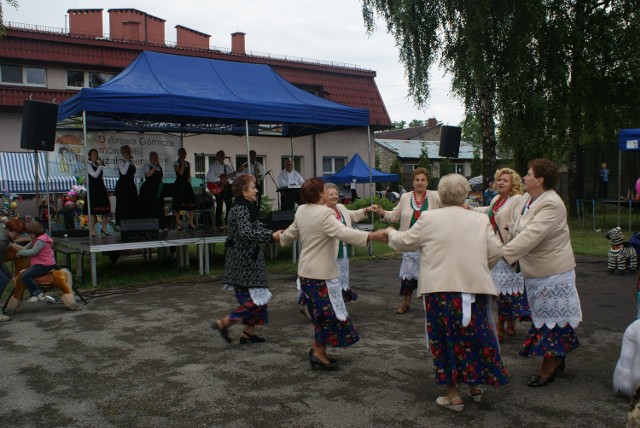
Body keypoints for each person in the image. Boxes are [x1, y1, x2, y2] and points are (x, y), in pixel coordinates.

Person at [384, 173, 508, 412]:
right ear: (465, 194)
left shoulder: (428, 218)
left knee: (445, 340)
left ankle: (453, 395)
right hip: (473, 289)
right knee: (473, 337)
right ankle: (474, 386)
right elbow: (495, 252)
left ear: (440, 194)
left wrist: (388, 233)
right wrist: (479, 269)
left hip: (440, 291)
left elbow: (406, 242)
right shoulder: (479, 220)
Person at [277, 178, 386, 370]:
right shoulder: (325, 214)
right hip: (320, 275)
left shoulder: (302, 210)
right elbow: (343, 233)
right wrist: (372, 235)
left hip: (306, 274)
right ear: (320, 194)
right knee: (329, 315)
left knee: (322, 315)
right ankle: (318, 351)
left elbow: (289, 235)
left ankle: (319, 351)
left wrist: (280, 237)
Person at [503, 158, 582, 387]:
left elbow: (530, 236)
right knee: (548, 318)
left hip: (553, 272)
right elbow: (518, 225)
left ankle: (548, 368)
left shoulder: (552, 204)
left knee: (550, 320)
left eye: (528, 174)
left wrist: (500, 254)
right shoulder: (528, 198)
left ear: (539, 180)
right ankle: (559, 355)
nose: (524, 177)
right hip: (536, 272)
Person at [211, 174, 280, 344]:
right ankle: (225, 322)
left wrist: (275, 233)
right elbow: (246, 233)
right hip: (243, 263)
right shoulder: (240, 209)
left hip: (250, 260)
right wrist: (271, 236)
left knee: (259, 298)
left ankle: (248, 333)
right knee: (253, 300)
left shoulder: (247, 207)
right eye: (253, 187)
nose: (256, 190)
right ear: (244, 191)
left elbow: (255, 228)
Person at [372, 167, 441, 314]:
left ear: (428, 182)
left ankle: (430, 305)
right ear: (413, 182)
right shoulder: (405, 197)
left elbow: (446, 211)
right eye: (417, 180)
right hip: (410, 243)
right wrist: (383, 213)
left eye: (423, 180)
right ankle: (406, 303)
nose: (420, 183)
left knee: (430, 275)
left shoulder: (435, 197)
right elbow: (395, 215)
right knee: (408, 275)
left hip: (429, 244)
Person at [473, 167, 529, 342]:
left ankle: (500, 326)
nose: (501, 183)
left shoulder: (517, 200)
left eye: (505, 180)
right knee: (499, 293)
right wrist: (469, 208)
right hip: (493, 251)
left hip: (508, 252)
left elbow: (518, 223)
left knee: (506, 294)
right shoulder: (497, 199)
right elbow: (486, 212)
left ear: (513, 183)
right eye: (499, 180)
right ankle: (509, 323)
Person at [16, 221, 56, 303]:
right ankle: (34, 293)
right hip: (41, 263)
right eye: (29, 234)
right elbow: (27, 247)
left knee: (26, 276)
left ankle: (38, 294)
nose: (30, 236)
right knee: (26, 274)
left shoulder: (41, 240)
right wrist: (20, 249)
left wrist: (20, 252)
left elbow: (33, 252)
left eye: (31, 234)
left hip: (45, 264)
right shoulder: (36, 238)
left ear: (36, 231)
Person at [0, 219, 26, 321]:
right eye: (16, 234)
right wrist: (12, 276)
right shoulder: (2, 241)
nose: (18, 237)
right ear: (8, 229)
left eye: (19, 234)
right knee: (3, 279)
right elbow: (0, 262)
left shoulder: (3, 231)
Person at [84, 148, 111, 237]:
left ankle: (104, 228)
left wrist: (100, 166)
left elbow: (100, 176)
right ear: (90, 156)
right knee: (93, 211)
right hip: (93, 189)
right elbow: (94, 175)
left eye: (96, 154)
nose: (96, 156)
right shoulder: (88, 165)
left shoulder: (98, 165)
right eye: (94, 154)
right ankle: (92, 230)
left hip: (101, 188)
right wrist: (100, 166)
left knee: (105, 209)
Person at [207, 150, 234, 230]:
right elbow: (209, 177)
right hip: (217, 188)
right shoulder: (213, 166)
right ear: (217, 157)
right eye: (220, 155)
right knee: (219, 205)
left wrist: (237, 173)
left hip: (226, 187)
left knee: (229, 204)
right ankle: (218, 224)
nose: (222, 157)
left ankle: (227, 223)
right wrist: (220, 180)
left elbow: (232, 177)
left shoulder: (227, 167)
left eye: (223, 155)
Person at [138, 151, 165, 229]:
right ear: (150, 159)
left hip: (158, 190)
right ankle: (149, 226)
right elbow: (148, 174)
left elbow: (160, 178)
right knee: (150, 207)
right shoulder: (147, 166)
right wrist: (154, 167)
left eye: (156, 158)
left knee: (159, 207)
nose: (155, 159)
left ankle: (160, 226)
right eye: (153, 158)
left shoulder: (159, 168)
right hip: (149, 190)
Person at [172, 147, 196, 230]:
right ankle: (178, 223)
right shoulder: (176, 163)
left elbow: (188, 175)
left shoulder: (188, 163)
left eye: (184, 153)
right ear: (179, 154)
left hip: (187, 185)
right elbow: (180, 173)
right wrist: (182, 163)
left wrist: (189, 179)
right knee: (178, 204)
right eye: (181, 153)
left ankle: (190, 221)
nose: (183, 154)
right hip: (179, 185)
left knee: (192, 203)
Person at [115, 145, 139, 226]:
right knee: (123, 205)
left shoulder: (131, 162)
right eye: (125, 151)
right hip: (123, 186)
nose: (127, 153)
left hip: (130, 185)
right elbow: (123, 172)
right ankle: (123, 224)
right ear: (122, 153)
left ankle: (132, 223)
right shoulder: (120, 161)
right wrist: (128, 161)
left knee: (132, 204)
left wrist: (129, 161)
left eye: (128, 151)